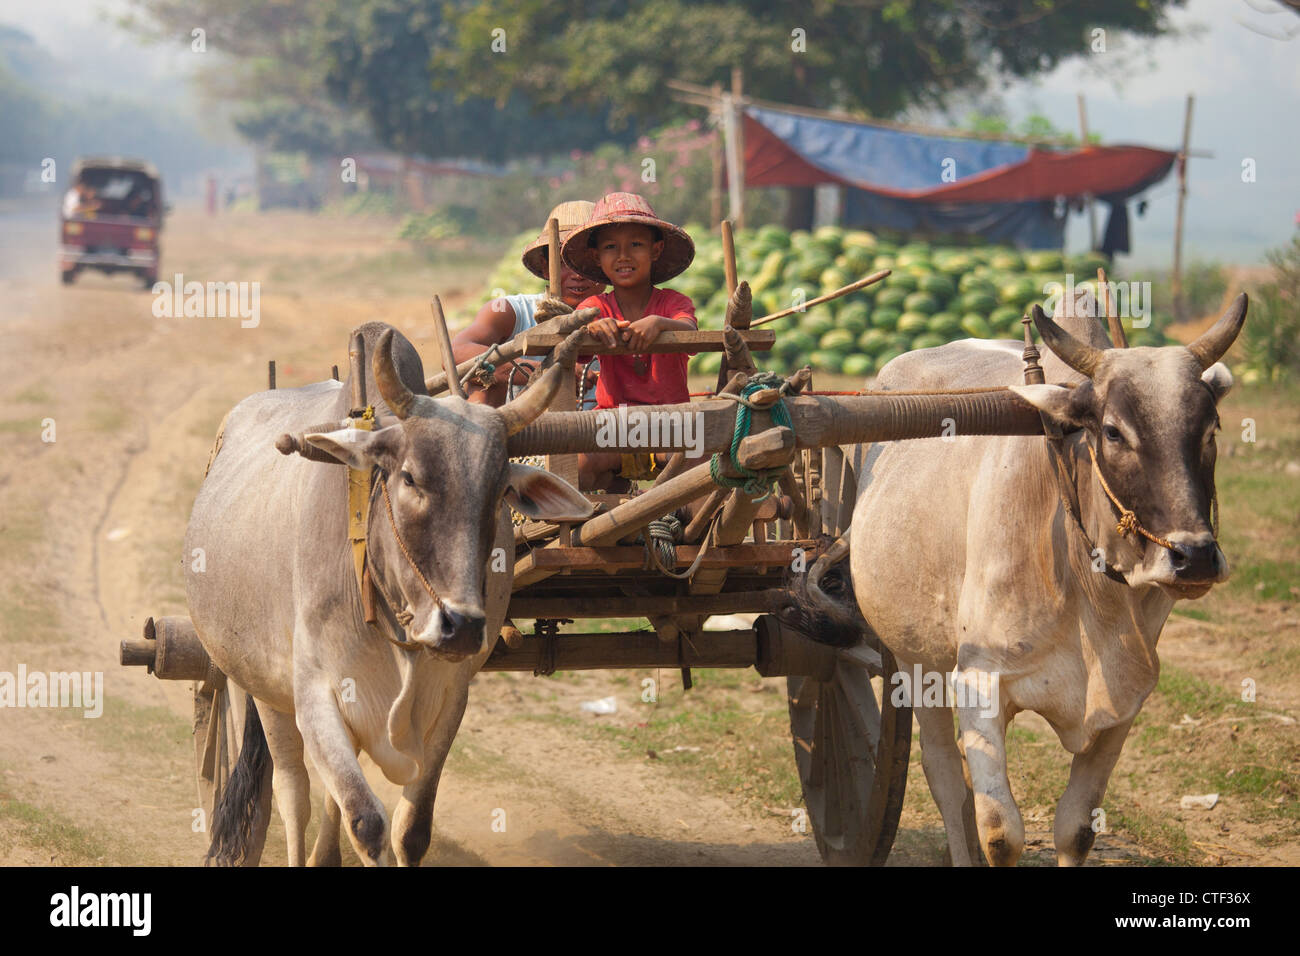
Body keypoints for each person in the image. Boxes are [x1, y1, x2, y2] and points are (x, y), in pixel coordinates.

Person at [559, 192, 698, 491]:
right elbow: (576, 344)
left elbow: (690, 334)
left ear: (656, 250)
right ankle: (603, 518)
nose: (623, 256)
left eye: (636, 244)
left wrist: (660, 324)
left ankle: (680, 519)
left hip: (670, 423)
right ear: (598, 257)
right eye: (611, 247)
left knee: (699, 464)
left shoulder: (673, 302)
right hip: (613, 425)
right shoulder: (593, 306)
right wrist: (594, 329)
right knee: (576, 469)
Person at [452, 200, 605, 407]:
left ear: (607, 264)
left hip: (601, 434)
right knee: (481, 383)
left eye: (587, 262)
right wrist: (546, 373)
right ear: (545, 266)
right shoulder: (510, 312)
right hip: (517, 433)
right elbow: (457, 352)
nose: (578, 275)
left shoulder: (625, 317)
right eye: (565, 262)